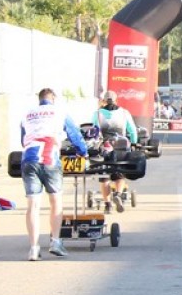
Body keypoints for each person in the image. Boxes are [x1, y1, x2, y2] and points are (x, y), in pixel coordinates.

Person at [20, 87, 88, 260]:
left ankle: (33, 248)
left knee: (33, 205)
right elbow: (74, 135)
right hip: (50, 158)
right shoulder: (60, 112)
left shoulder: (27, 114)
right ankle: (55, 242)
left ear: (39, 99)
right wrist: (83, 152)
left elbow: (23, 139)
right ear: (54, 99)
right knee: (55, 201)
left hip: (29, 159)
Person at [93, 90, 137, 212]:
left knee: (104, 177)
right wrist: (134, 143)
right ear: (116, 100)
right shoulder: (124, 113)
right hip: (121, 145)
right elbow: (132, 131)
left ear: (103, 101)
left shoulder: (97, 114)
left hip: (104, 146)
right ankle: (118, 194)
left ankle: (108, 205)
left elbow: (93, 131)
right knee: (119, 173)